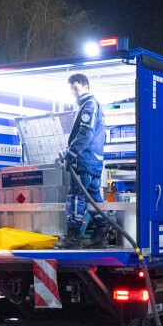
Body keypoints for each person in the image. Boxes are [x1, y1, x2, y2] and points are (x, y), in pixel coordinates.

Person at [54, 73, 115, 249]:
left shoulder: (89, 105)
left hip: (84, 161)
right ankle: (101, 236)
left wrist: (70, 154)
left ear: (86, 86)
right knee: (94, 197)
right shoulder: (93, 105)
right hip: (93, 162)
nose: (74, 92)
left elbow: (85, 133)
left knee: (76, 197)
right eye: (72, 89)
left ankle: (73, 238)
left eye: (76, 88)